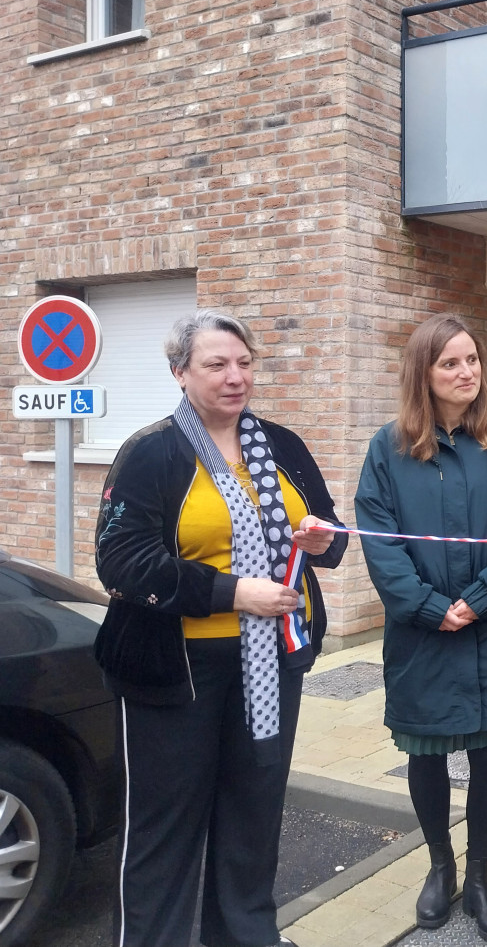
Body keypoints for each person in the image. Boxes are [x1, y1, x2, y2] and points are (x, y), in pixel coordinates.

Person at [94, 308, 347, 947]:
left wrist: (320, 540)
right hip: (174, 670)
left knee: (252, 815)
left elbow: (331, 533)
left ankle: (244, 936)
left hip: (270, 663)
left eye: (243, 362)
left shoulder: (281, 445)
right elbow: (120, 561)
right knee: (165, 826)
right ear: (181, 373)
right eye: (215, 365)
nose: (235, 377)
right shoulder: (150, 452)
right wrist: (235, 592)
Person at [354, 314, 487, 942]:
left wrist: (480, 598)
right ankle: (440, 864)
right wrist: (426, 606)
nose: (467, 373)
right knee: (426, 751)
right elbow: (378, 536)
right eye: (450, 364)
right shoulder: (388, 447)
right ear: (424, 374)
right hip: (422, 631)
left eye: (473, 361)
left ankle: (482, 876)